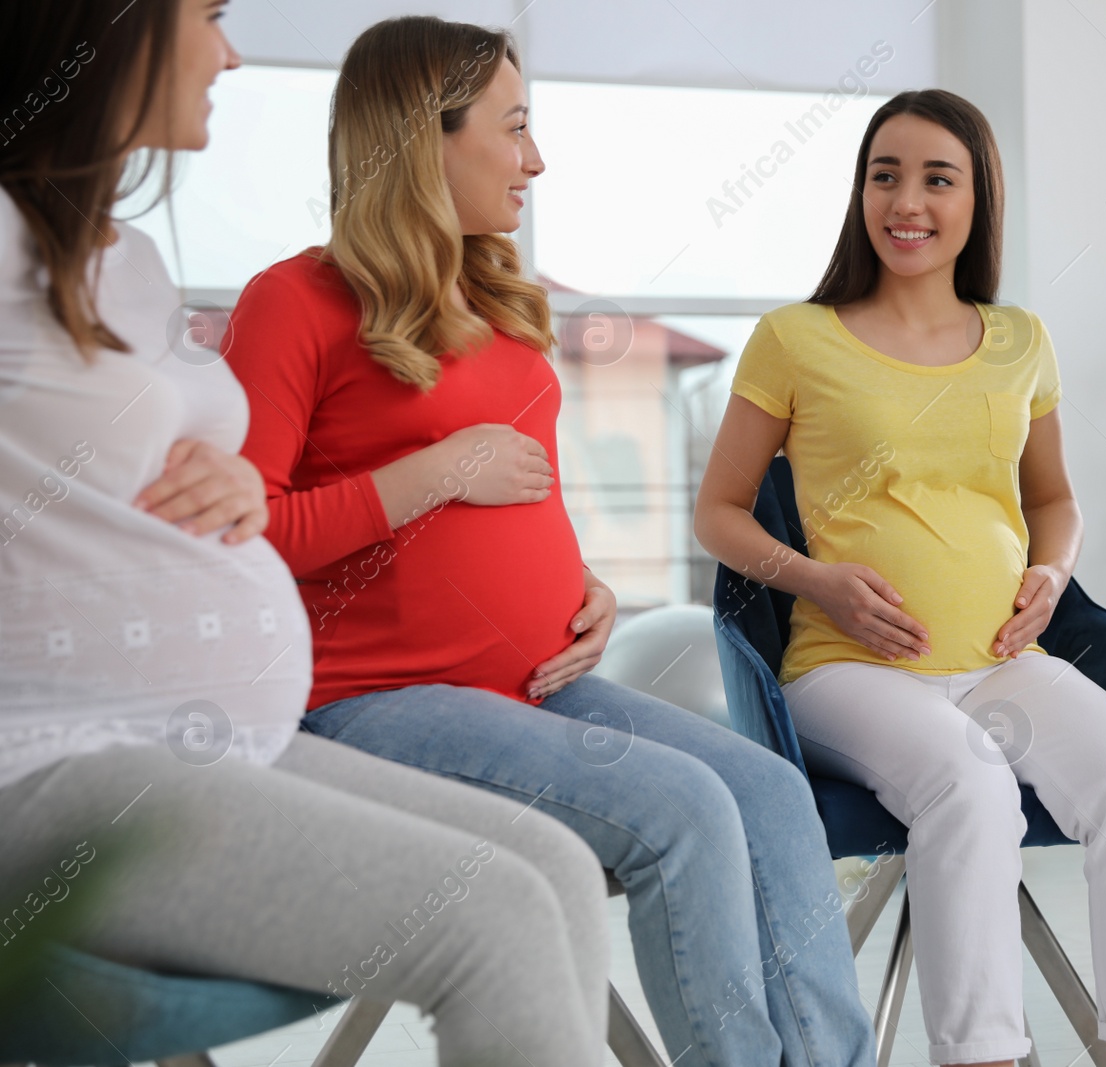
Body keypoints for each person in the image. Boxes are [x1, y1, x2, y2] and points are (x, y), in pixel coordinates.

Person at [221, 15, 877, 1067]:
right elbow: (242, 532)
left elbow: (516, 495)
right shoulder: (290, 303)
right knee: (684, 810)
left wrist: (579, 581)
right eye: (514, 128)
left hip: (539, 679)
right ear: (421, 139)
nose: (536, 159)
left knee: (770, 788)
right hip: (364, 703)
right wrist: (431, 472)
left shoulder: (493, 296)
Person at [0, 3, 608, 1063]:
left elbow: (122, 463)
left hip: (194, 737)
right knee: (495, 918)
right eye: (209, 15)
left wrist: (230, 480)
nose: (228, 50)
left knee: (550, 865)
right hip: (46, 758)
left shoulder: (125, 261)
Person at [695, 89, 1106, 1067]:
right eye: (885, 175)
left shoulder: (1019, 341)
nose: (907, 200)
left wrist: (1052, 572)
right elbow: (716, 511)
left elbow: (1055, 498)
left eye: (937, 177)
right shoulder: (797, 338)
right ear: (860, 192)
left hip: (1003, 662)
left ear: (977, 200)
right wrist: (817, 578)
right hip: (849, 669)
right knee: (970, 787)